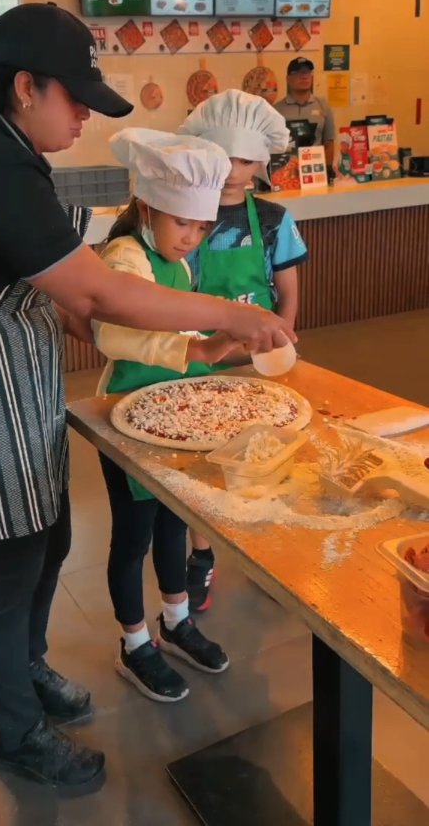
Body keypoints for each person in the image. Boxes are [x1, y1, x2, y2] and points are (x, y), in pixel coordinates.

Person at [0, 3, 296, 793]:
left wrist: (179, 343)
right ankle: (18, 738)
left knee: (45, 545)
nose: (83, 115)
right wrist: (230, 315)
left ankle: (29, 669)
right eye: (74, 98)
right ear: (24, 87)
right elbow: (101, 295)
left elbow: (83, 310)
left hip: (10, 402)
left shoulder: (14, 160)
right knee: (2, 582)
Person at [94, 128, 238, 703]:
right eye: (183, 224)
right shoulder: (125, 256)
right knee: (132, 538)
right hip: (126, 418)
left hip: (174, 413)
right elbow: (116, 333)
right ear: (148, 207)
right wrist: (197, 348)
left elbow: (180, 322)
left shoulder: (178, 258)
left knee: (174, 523)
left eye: (202, 228)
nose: (191, 238)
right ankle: (134, 645)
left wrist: (214, 340)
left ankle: (176, 621)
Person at [179, 90, 309, 612]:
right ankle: (202, 555)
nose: (233, 172)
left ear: (262, 162)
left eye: (246, 160)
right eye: (223, 158)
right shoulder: (186, 217)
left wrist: (283, 336)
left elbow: (288, 287)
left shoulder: (274, 219)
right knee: (204, 469)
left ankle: (266, 551)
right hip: (201, 360)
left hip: (261, 362)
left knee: (268, 458)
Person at [274, 57, 336, 169]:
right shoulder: (276, 110)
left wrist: (328, 170)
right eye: (298, 72)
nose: (304, 76)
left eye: (308, 72)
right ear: (288, 79)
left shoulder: (323, 106)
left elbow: (329, 143)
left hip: (315, 170)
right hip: (287, 172)